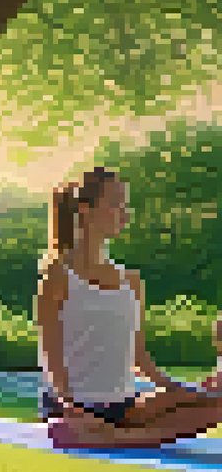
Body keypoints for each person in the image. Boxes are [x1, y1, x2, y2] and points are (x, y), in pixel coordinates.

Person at [34, 167, 222, 448]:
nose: (125, 213)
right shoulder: (58, 277)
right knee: (62, 426)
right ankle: (100, 431)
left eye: (125, 205)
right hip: (73, 406)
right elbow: (50, 355)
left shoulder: (131, 281)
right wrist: (69, 405)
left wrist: (180, 390)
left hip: (122, 406)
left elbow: (138, 356)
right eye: (115, 204)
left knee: (215, 404)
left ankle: (116, 437)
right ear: (85, 210)